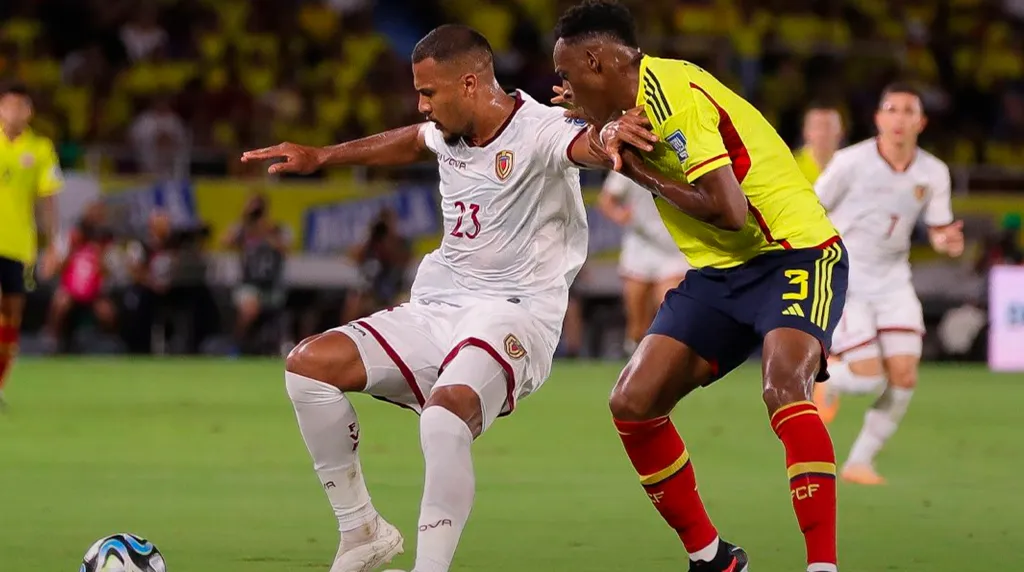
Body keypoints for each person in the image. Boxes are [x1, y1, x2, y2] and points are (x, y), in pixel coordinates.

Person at [241, 25, 606, 572]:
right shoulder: (448, 131)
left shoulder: (543, 130)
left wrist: (609, 126)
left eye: (429, 93)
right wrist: (322, 156)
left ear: (469, 83)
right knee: (307, 367)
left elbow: (587, 147)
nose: (421, 105)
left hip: (515, 314)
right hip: (437, 307)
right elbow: (412, 140)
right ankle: (361, 530)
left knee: (442, 420)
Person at [551, 2, 849, 571]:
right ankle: (713, 559)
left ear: (596, 60)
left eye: (567, 74)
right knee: (632, 404)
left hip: (794, 253)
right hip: (721, 273)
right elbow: (578, 126)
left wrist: (634, 170)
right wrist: (597, 127)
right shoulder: (626, 102)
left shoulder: (673, 96)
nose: (562, 87)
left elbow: (729, 211)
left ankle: (822, 566)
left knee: (784, 386)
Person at [812, 83, 964, 485]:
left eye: (908, 111)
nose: (899, 118)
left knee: (904, 375)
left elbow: (938, 228)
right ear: (879, 119)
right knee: (868, 377)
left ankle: (860, 461)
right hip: (847, 277)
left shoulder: (933, 172)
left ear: (921, 122)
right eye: (891, 110)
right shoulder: (850, 162)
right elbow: (811, 207)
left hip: (894, 280)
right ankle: (822, 378)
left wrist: (946, 240)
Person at [0, 82, 63, 407]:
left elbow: (47, 201)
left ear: (29, 111)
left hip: (19, 247)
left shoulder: (39, 149)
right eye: (8, 105)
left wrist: (53, 245)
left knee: (11, 318)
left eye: (20, 106)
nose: (14, 112)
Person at [598, 171, 690, 354]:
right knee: (637, 325)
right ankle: (634, 357)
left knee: (669, 312)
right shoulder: (630, 163)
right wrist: (619, 215)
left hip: (673, 249)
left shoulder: (681, 163)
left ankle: (666, 361)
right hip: (639, 248)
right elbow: (606, 200)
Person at [221, 192, 291, 353]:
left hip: (271, 286)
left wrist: (266, 232)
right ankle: (237, 345)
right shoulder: (242, 229)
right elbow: (225, 242)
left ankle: (270, 347)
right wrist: (244, 222)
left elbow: (286, 250)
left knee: (268, 308)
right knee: (250, 307)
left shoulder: (276, 228)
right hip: (248, 284)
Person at [793, 104, 844, 184]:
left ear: (841, 132)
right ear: (806, 131)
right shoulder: (792, 166)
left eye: (828, 126)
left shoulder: (848, 166)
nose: (823, 133)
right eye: (817, 126)